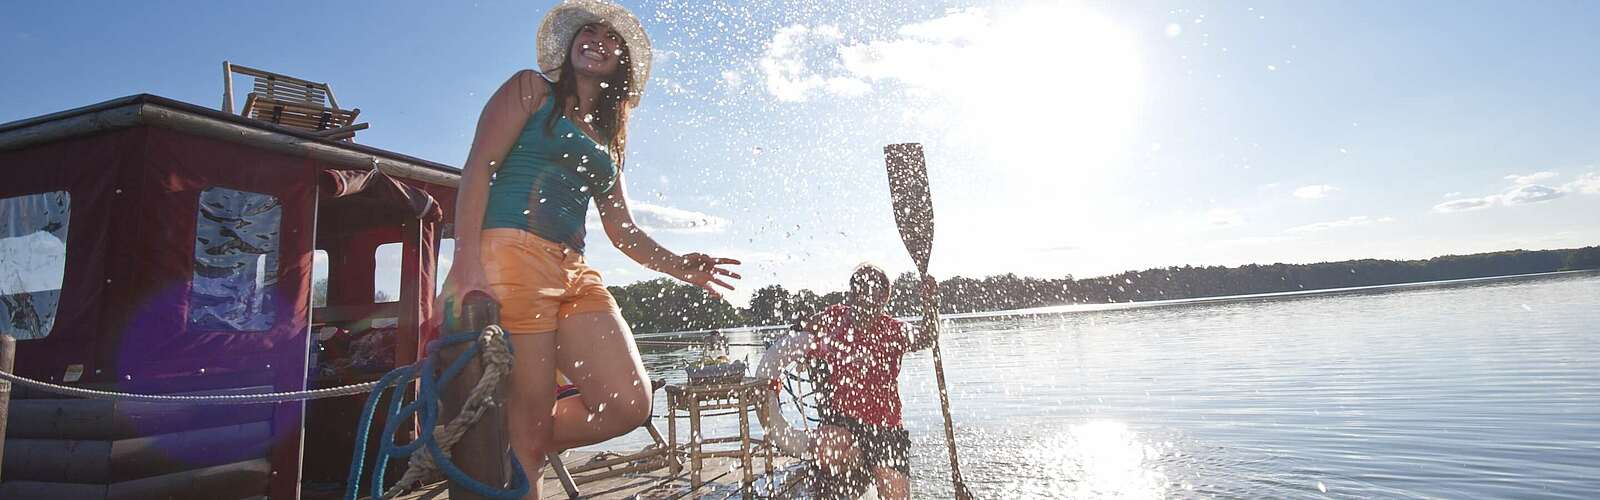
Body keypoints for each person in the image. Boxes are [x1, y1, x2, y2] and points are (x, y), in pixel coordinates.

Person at [436, 1, 739, 496]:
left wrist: (682, 268)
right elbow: (479, 166)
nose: (598, 39)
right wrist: (466, 262)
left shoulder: (608, 137)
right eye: (589, 32)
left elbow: (623, 231)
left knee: (629, 403)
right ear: (571, 44)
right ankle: (520, 445)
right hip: (511, 255)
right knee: (529, 435)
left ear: (622, 60)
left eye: (611, 38)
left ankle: (511, 440)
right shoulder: (529, 89)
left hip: (574, 269)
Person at [801, 264, 939, 500]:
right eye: (858, 288)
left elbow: (928, 336)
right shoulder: (834, 317)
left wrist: (931, 303)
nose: (863, 295)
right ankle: (850, 477)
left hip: (886, 429)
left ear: (885, 297)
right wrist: (803, 354)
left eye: (871, 290)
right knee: (826, 448)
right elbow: (801, 330)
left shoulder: (893, 330)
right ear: (850, 293)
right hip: (843, 423)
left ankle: (869, 471)